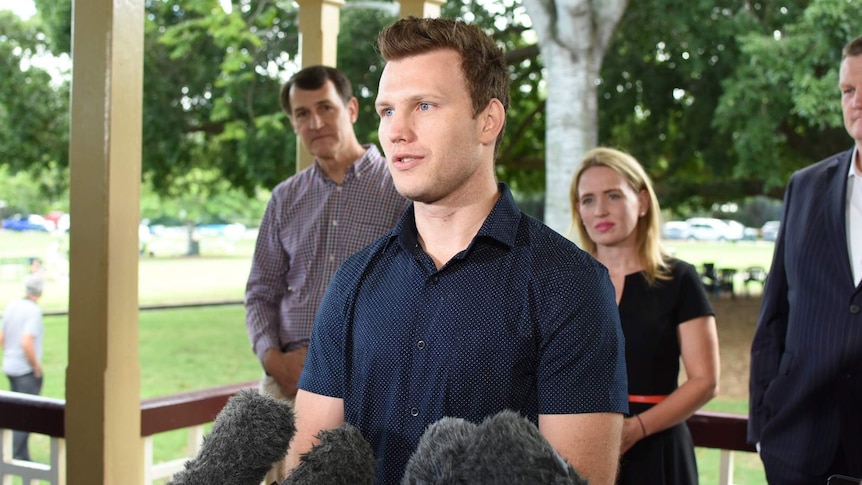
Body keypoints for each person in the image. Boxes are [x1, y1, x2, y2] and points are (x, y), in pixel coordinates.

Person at [285, 17, 628, 485]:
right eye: (386, 112)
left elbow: (578, 478)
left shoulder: (569, 285)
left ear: (488, 120)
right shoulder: (352, 282)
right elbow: (305, 466)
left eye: (423, 106)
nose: (396, 132)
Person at [245, 65, 408, 482]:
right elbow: (260, 292)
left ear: (351, 109)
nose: (314, 122)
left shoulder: (401, 188)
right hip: (287, 389)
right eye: (302, 114)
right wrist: (272, 360)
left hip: (367, 387)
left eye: (325, 108)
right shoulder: (285, 199)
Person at [748, 35, 862, 484]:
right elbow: (773, 314)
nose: (856, 102)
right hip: (798, 447)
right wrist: (763, 426)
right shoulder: (806, 186)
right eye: (848, 91)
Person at [570, 147, 720, 484]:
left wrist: (636, 429)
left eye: (613, 196)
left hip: (659, 449)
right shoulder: (568, 283)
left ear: (642, 202)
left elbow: (705, 380)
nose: (600, 210)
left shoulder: (679, 279)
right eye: (588, 200)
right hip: (583, 449)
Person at [0, 273, 45, 461]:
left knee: (16, 412)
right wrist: (36, 367)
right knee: (26, 417)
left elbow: (2, 337)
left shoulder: (12, 306)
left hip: (10, 367)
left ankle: (22, 458)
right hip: (25, 371)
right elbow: (27, 342)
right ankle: (14, 455)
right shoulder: (33, 311)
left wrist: (10, 354)